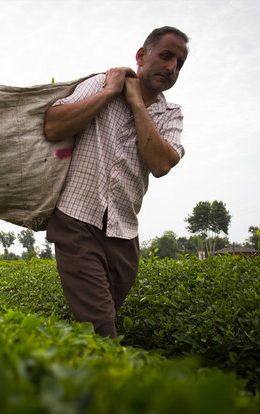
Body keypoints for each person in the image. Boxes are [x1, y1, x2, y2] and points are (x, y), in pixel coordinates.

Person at [44, 26, 189, 337]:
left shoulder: (171, 114)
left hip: (124, 234)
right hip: (77, 221)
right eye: (166, 56)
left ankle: (67, 368)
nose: (171, 67)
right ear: (141, 55)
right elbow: (54, 126)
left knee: (98, 321)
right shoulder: (100, 84)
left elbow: (161, 164)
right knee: (100, 327)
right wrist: (110, 92)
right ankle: (111, 381)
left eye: (179, 63)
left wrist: (137, 103)